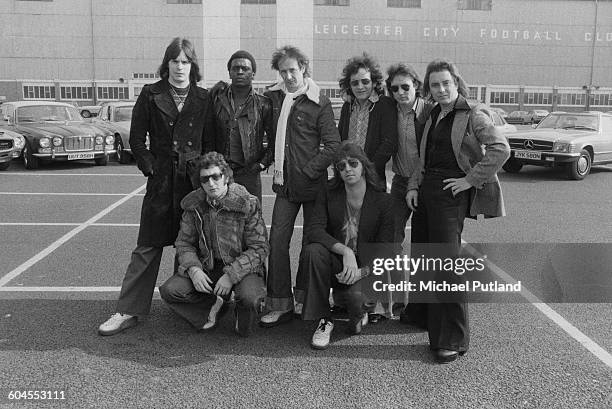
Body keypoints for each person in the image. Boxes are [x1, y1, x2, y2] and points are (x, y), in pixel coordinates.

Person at [98, 37, 215, 336]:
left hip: (192, 181)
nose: (179, 66)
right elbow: (137, 139)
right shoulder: (151, 94)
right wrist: (150, 167)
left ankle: (191, 308)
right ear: (167, 64)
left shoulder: (204, 98)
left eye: (185, 61)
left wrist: (207, 177)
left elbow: (213, 144)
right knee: (148, 246)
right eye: (174, 61)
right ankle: (128, 309)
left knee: (189, 246)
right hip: (162, 180)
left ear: (193, 65)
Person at [404, 59, 510, 363]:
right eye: (435, 85)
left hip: (451, 194)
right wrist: (413, 186)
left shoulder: (474, 114)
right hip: (426, 192)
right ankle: (424, 317)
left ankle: (453, 338)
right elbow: (422, 159)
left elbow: (501, 149)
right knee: (424, 258)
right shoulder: (433, 113)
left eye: (445, 83)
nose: (440, 89)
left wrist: (469, 180)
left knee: (446, 266)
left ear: (456, 82)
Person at [259, 45, 340, 327]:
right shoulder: (274, 98)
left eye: (293, 69)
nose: (289, 75)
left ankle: (307, 300)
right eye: (283, 71)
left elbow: (332, 145)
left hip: (313, 186)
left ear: (303, 67)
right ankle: (280, 303)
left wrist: (309, 170)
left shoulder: (319, 100)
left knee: (311, 245)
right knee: (277, 242)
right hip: (284, 185)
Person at [158, 152, 269, 337]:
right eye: (205, 179)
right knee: (170, 291)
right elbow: (184, 243)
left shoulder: (246, 203)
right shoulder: (193, 205)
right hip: (209, 266)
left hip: (243, 268)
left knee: (248, 300)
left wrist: (231, 275)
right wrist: (194, 270)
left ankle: (240, 307)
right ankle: (215, 306)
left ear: (225, 177)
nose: (211, 183)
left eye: (216, 177)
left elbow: (260, 248)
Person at [300, 141, 396, 349]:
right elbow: (314, 229)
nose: (347, 169)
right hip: (340, 263)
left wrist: (361, 272)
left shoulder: (383, 201)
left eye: (353, 163)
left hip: (367, 269)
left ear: (363, 165)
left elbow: (388, 249)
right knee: (313, 251)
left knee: (354, 300)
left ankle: (358, 313)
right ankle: (324, 319)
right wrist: (345, 252)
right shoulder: (328, 193)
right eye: (341, 166)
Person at [209, 50, 273, 203]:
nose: (240, 71)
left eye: (245, 69)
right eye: (235, 68)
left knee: (251, 221)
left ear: (253, 74)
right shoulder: (214, 101)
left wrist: (261, 164)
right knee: (219, 221)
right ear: (229, 72)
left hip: (249, 173)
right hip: (220, 172)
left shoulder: (264, 104)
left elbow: (274, 140)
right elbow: (207, 135)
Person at [385, 63, 430, 243]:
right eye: (395, 88)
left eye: (405, 86)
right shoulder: (389, 110)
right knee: (391, 235)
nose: (400, 92)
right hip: (400, 181)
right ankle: (395, 272)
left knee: (424, 238)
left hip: (425, 182)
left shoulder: (429, 111)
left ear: (416, 85)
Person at [337, 53, 397, 184]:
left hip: (373, 177)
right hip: (348, 176)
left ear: (374, 82)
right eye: (354, 83)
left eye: (365, 81)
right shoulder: (347, 107)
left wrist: (369, 169)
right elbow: (341, 140)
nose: (360, 87)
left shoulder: (385, 105)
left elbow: (388, 143)